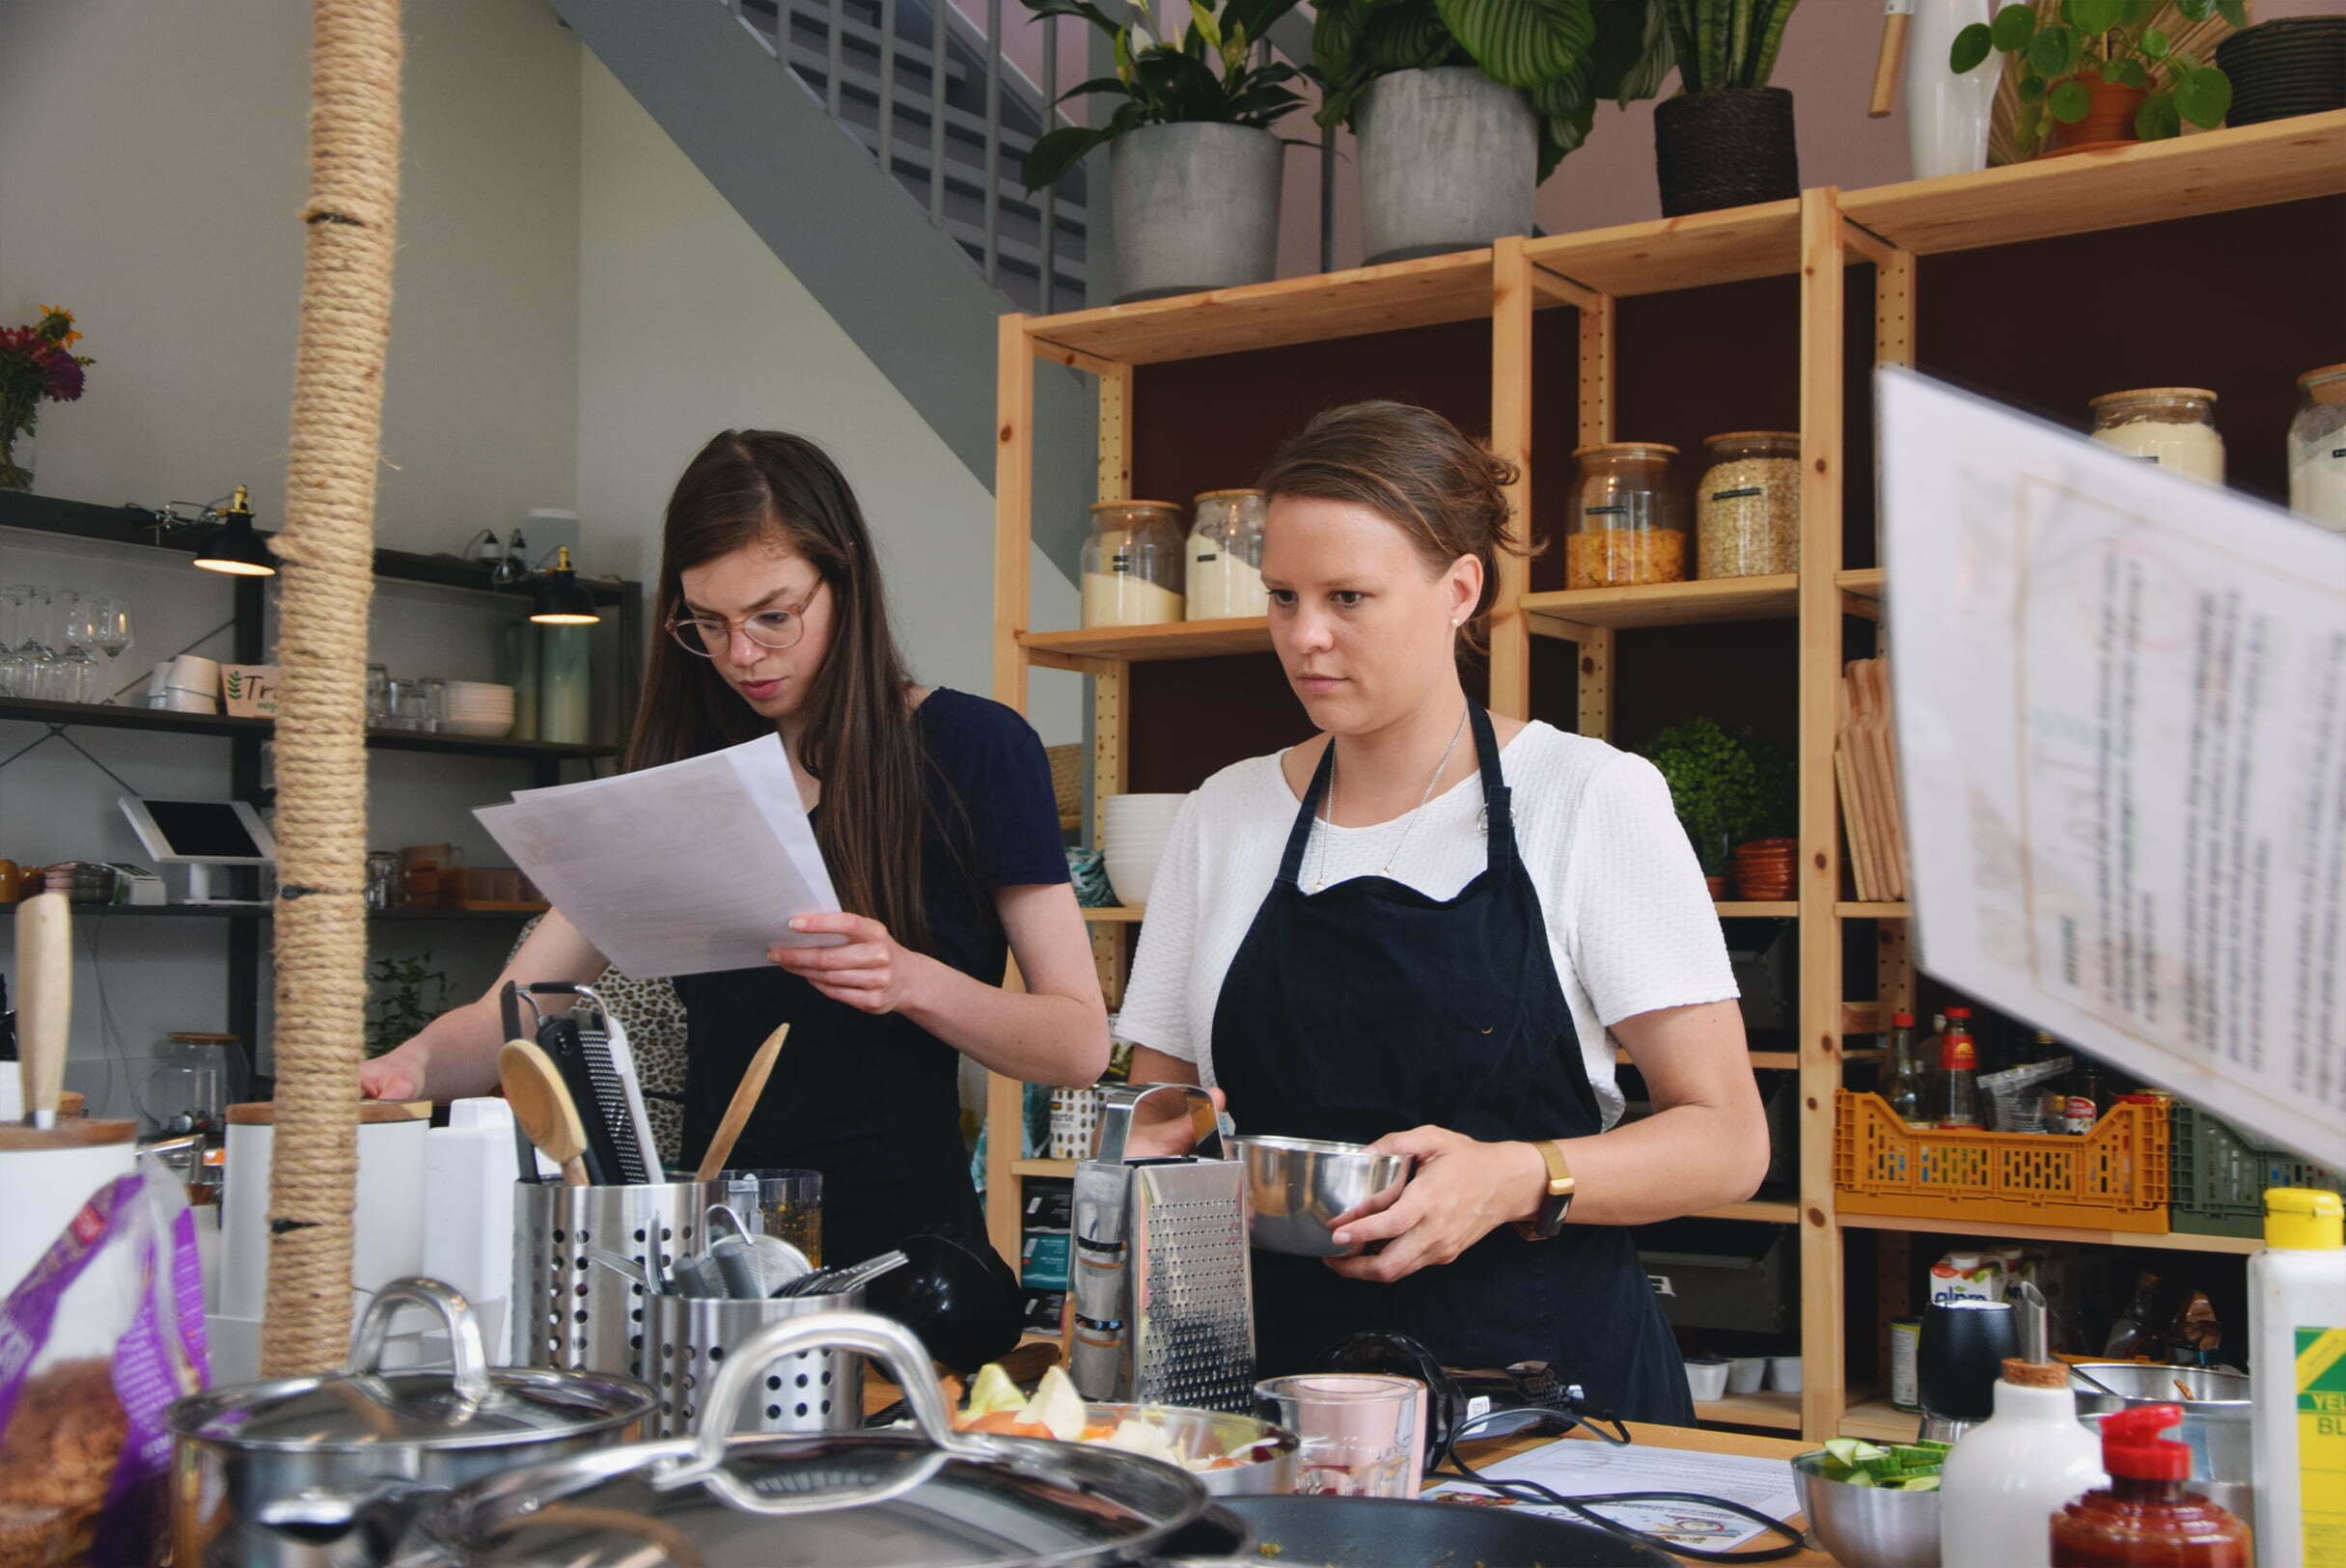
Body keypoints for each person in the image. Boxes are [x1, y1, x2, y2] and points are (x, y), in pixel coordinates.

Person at [1118, 401, 1768, 1424]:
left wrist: (1514, 1177)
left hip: (1539, 1403)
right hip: (1279, 1392)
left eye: (1348, 596)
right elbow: (1159, 1113)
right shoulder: (1225, 812)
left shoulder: (1586, 795)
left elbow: (1728, 1140)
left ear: (1460, 587)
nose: (1305, 635)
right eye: (1282, 596)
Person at [364, 430, 1107, 1266]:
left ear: (846, 584)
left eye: (774, 616)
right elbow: (522, 1013)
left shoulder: (975, 748)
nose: (742, 655)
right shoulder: (686, 782)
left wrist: (908, 979)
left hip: (908, 1262)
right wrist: (409, 1065)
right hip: (722, 1265)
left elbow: (1077, 1044)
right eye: (708, 624)